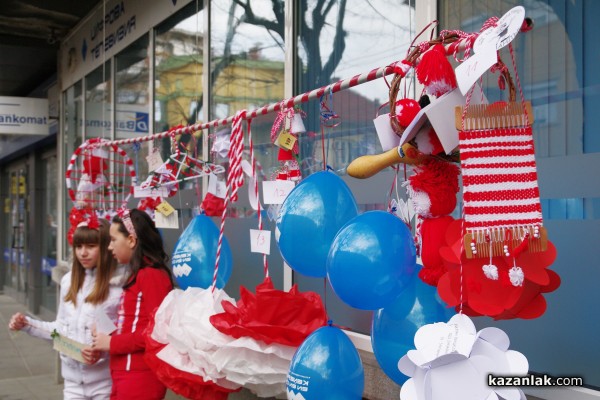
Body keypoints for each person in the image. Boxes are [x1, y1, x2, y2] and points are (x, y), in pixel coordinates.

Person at [8, 217, 128, 400]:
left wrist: (102, 351)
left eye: (90, 246)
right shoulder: (68, 282)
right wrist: (27, 324)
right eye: (78, 247)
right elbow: (60, 331)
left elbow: (126, 339)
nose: (83, 253)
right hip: (71, 385)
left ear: (105, 247)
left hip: (107, 384)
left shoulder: (119, 289)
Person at [92, 208, 175, 400]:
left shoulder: (152, 275)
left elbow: (157, 331)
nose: (109, 247)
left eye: (113, 240)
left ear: (131, 240)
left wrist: (112, 342)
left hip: (140, 376)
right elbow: (135, 324)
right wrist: (107, 335)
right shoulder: (140, 273)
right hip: (126, 372)